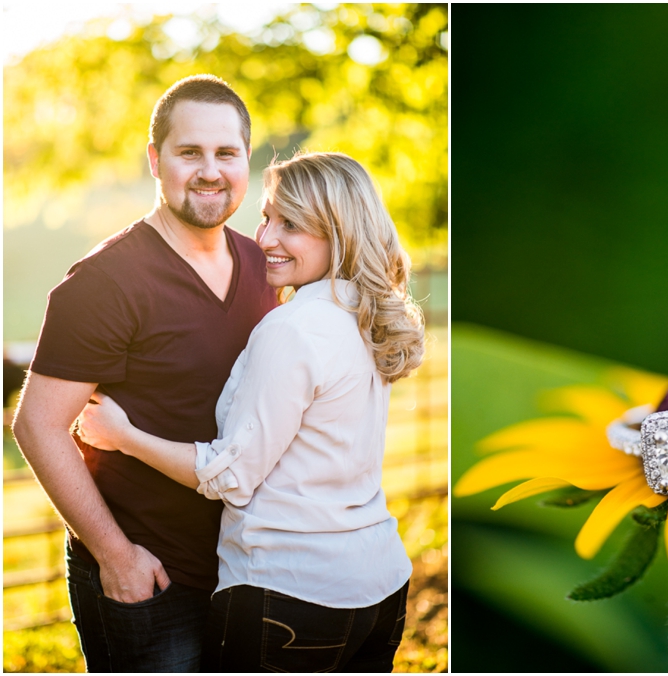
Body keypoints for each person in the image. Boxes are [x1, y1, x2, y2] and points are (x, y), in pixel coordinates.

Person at [77, 150, 426, 672]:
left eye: (291, 224)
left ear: (340, 232)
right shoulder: (365, 315)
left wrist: (123, 436)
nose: (265, 239)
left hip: (290, 594)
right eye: (266, 217)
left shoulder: (292, 329)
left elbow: (232, 475)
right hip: (379, 587)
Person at [12, 75, 277, 672]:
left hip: (250, 568)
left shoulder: (266, 265)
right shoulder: (105, 282)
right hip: (152, 578)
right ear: (155, 160)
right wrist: (116, 557)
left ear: (246, 160)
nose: (210, 170)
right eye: (190, 153)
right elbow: (37, 427)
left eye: (226, 153)